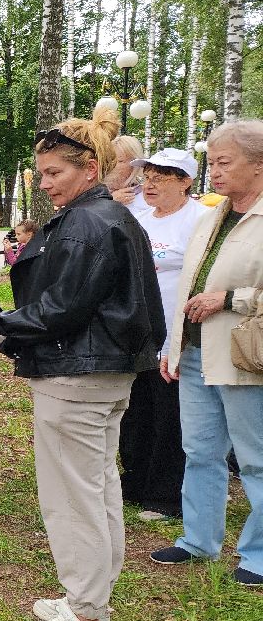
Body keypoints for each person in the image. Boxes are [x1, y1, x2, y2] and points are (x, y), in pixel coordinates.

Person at [0, 117, 164, 621]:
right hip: (104, 373)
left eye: (55, 172)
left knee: (73, 499)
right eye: (41, 173)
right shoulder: (110, 217)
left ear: (90, 169)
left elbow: (61, 307)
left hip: (76, 376)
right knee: (97, 490)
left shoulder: (86, 224)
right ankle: (91, 603)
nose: (45, 183)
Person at [150, 120, 263, 587]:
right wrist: (172, 345)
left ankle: (258, 556)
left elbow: (220, 293)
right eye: (211, 162)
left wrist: (232, 299)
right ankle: (198, 540)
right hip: (196, 353)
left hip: (244, 355)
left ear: (258, 165)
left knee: (255, 458)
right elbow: (187, 286)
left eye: (224, 162)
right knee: (199, 450)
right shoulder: (212, 216)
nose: (213, 171)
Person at [116, 149, 205, 521]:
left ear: (185, 182)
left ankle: (165, 495)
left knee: (170, 416)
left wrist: (180, 341)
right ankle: (135, 480)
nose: (149, 185)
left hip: (176, 336)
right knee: (134, 412)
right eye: (147, 177)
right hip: (138, 335)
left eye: (160, 178)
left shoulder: (199, 220)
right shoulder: (139, 218)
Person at [107, 133, 151, 219]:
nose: (111, 165)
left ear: (135, 164)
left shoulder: (148, 195)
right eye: (109, 160)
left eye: (119, 161)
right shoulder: (94, 191)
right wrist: (110, 203)